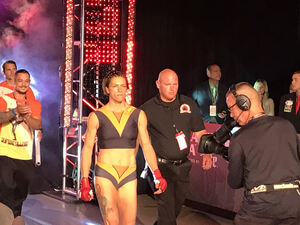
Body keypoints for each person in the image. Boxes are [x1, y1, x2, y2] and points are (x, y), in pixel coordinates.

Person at [79, 71, 167, 225]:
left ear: (127, 88)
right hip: (105, 172)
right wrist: (84, 180)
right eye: (115, 86)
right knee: (111, 220)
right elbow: (87, 149)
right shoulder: (96, 116)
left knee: (128, 222)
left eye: (123, 86)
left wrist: (157, 174)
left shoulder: (138, 115)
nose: (120, 90)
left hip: (129, 173)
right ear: (107, 89)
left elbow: (146, 146)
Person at [140, 68, 212, 225]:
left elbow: (201, 132)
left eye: (175, 84)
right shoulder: (146, 109)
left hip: (182, 168)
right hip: (160, 167)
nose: (172, 88)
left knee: (173, 211)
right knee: (167, 213)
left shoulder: (188, 104)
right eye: (167, 84)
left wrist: (207, 154)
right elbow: (140, 140)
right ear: (158, 84)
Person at [225, 82, 300, 225]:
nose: (231, 114)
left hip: (258, 211)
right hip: (294, 207)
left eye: (231, 108)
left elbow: (234, 182)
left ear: (244, 103)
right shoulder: (288, 126)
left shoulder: (239, 138)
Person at [0, 69, 42, 225]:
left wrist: (27, 117)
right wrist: (15, 112)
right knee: (5, 185)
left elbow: (38, 124)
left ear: (29, 83)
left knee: (22, 188)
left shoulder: (34, 103)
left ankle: (15, 215)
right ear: (14, 82)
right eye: (20, 80)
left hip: (24, 153)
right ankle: (7, 218)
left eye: (26, 81)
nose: (23, 84)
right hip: (4, 151)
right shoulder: (4, 99)